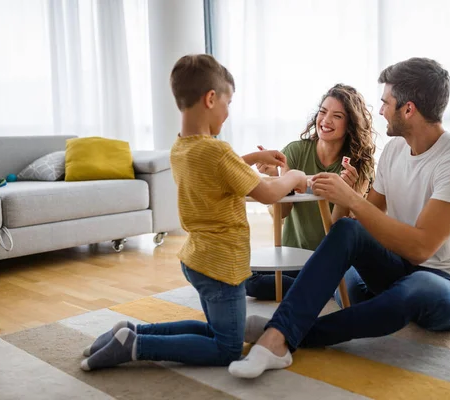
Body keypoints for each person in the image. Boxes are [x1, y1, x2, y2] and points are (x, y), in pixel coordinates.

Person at [229, 57, 450, 379]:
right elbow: (367, 219)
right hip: (396, 268)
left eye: (386, 102)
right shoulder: (395, 151)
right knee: (350, 237)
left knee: (412, 288)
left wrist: (351, 197)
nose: (380, 111)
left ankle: (280, 334)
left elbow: (421, 248)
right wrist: (347, 203)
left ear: (408, 109)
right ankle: (283, 333)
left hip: (449, 284)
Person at [80, 54, 308, 371]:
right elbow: (268, 193)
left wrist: (251, 157)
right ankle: (137, 346)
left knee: (217, 333)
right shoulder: (217, 151)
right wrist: (295, 177)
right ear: (211, 98)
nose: (228, 114)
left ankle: (131, 331)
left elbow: (213, 169)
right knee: (227, 348)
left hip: (198, 259)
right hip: (222, 264)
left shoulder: (181, 147)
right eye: (228, 103)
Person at [246, 84, 376, 300]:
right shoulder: (295, 151)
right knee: (248, 280)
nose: (325, 121)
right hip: (294, 255)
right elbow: (283, 212)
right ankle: (319, 289)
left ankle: (316, 286)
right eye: (323, 112)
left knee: (355, 294)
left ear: (350, 124)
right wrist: (278, 180)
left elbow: (337, 231)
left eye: (337, 116)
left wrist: (347, 194)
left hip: (333, 259)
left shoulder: (359, 166)